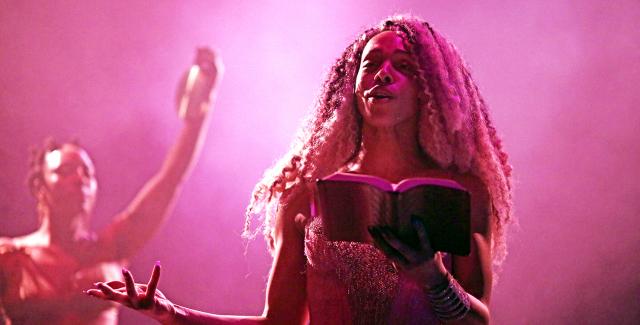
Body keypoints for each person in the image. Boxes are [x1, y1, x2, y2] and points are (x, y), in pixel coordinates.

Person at [87, 15, 513, 324]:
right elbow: (280, 323)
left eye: (403, 66)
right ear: (354, 85)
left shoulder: (462, 191)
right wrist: (172, 313)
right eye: (371, 63)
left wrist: (433, 278)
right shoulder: (306, 194)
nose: (383, 75)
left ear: (429, 88)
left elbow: (478, 321)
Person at [0, 48, 222, 324]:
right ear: (40, 187)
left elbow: (170, 179)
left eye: (87, 172)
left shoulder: (112, 247)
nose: (79, 178)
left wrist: (200, 110)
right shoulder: (10, 258)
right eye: (65, 171)